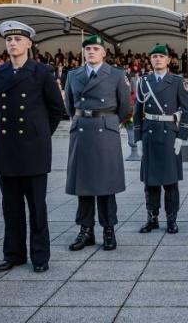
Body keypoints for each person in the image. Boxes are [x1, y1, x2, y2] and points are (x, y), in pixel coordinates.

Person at [0, 21, 65, 273]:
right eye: (9, 40)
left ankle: (40, 256)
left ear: (29, 43)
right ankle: (14, 254)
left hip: (33, 150)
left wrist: (40, 135)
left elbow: (56, 110)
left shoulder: (42, 72)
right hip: (6, 148)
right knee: (10, 207)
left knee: (37, 207)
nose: (12, 44)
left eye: (18, 39)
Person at [65, 35, 131, 251]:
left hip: (105, 130)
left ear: (104, 53)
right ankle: (86, 230)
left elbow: (125, 107)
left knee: (105, 185)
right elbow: (69, 106)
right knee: (83, 185)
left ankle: (108, 229)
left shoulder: (116, 74)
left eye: (95, 48)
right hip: (82, 129)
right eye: (87, 49)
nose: (91, 52)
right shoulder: (73, 75)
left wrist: (109, 121)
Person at [134, 44, 188, 234]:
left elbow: (186, 109)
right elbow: (137, 112)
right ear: (150, 60)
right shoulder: (143, 82)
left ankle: (171, 219)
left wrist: (181, 136)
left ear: (168, 60)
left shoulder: (176, 81)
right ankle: (152, 218)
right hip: (149, 133)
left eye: (161, 56)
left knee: (170, 181)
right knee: (150, 182)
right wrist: (138, 138)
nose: (157, 59)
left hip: (169, 134)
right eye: (154, 56)